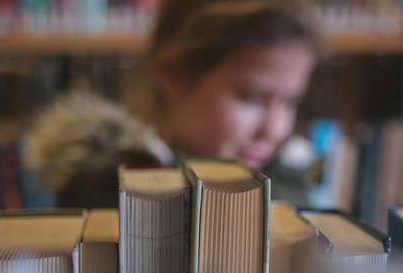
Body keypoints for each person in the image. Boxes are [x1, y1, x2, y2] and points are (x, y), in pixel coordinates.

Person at [26, 0, 322, 208]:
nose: (275, 130)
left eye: (291, 102)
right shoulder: (108, 191)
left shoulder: (290, 184)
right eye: (252, 98)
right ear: (174, 73)